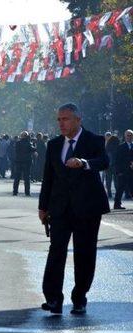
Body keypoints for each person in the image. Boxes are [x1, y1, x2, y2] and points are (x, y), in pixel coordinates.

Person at [39, 103, 110, 315]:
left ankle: (79, 297)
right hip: (60, 208)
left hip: (87, 207)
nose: (61, 123)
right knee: (56, 251)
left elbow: (104, 162)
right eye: (59, 119)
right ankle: (53, 299)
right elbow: (48, 178)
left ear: (78, 120)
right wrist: (43, 207)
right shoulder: (53, 145)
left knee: (85, 253)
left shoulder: (94, 140)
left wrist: (84, 162)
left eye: (66, 119)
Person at [13, 131, 37, 196]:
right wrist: (34, 143)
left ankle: (15, 192)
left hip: (18, 161)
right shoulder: (29, 143)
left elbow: (15, 151)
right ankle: (27, 192)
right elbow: (34, 149)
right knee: (27, 178)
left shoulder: (17, 143)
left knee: (17, 177)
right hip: (27, 162)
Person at [113, 130, 133, 210]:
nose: (129, 137)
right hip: (123, 171)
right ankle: (117, 204)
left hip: (132, 171)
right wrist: (118, 172)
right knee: (120, 188)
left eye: (131, 135)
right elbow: (117, 160)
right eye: (128, 135)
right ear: (125, 136)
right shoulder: (121, 147)